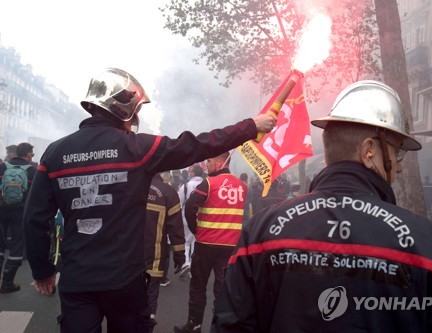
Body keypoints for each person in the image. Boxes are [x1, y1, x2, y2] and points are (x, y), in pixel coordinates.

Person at [211, 80, 432, 332]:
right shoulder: (429, 244)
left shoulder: (260, 231)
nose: (399, 166)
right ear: (369, 150)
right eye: (396, 151)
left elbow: (229, 324)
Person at [22, 67, 276, 333]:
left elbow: (34, 218)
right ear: (126, 107)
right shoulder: (136, 148)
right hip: (124, 280)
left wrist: (42, 270)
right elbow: (197, 144)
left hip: (77, 280)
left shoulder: (54, 153)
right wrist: (250, 127)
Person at [174, 152, 248, 333]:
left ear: (221, 162)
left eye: (209, 161)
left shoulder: (209, 183)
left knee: (198, 286)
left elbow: (191, 206)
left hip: (206, 244)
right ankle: (221, 326)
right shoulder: (242, 187)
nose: (206, 164)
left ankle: (194, 325)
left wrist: (196, 230)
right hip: (230, 246)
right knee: (223, 289)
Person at [144, 173, 185, 333]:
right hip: (154, 256)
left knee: (131, 293)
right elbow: (176, 228)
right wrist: (179, 254)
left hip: (129, 258)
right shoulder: (168, 193)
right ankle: (148, 323)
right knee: (151, 293)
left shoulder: (132, 186)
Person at [0, 142, 36, 293]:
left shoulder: (3, 167)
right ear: (27, 154)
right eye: (31, 154)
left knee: (0, 245)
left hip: (1, 209)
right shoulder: (32, 170)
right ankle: (7, 283)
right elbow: (36, 195)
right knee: (16, 247)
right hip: (20, 212)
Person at [177, 163, 205, 278]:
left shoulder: (186, 186)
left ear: (193, 173)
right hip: (202, 218)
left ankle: (186, 262)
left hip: (186, 217)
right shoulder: (206, 185)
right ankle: (193, 265)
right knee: (195, 241)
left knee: (186, 241)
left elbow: (179, 202)